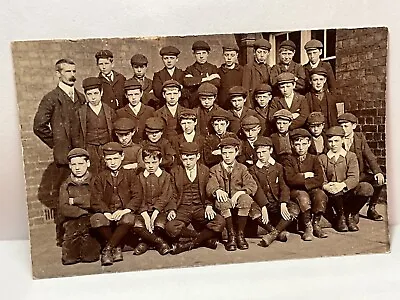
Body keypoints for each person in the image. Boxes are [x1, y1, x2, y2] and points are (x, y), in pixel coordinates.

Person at [33, 58, 85, 246]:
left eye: (74, 71)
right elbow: (39, 126)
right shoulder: (51, 98)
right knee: (64, 195)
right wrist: (57, 144)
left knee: (84, 194)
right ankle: (62, 236)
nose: (72, 75)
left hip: (82, 153)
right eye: (68, 71)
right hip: (64, 158)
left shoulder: (80, 97)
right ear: (58, 74)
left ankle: (83, 234)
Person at [165, 142, 226, 254]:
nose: (188, 163)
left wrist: (208, 206)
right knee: (170, 227)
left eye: (191, 159)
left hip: (200, 207)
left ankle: (188, 245)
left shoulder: (205, 170)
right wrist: (172, 209)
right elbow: (172, 194)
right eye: (185, 159)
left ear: (197, 157)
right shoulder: (175, 171)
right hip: (182, 207)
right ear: (181, 158)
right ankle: (203, 240)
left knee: (220, 222)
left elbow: (208, 191)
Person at [90, 142, 142, 266]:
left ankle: (108, 249)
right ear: (104, 160)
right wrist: (106, 212)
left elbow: (137, 197)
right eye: (109, 159)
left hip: (123, 212)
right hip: (108, 212)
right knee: (96, 220)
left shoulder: (130, 175)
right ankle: (116, 246)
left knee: (129, 218)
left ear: (122, 157)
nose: (112, 162)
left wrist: (125, 210)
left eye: (115, 158)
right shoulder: (100, 177)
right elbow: (96, 199)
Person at [206, 137, 257, 251]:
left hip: (237, 198)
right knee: (222, 201)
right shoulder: (215, 169)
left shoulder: (242, 168)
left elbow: (252, 185)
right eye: (224, 153)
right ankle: (231, 235)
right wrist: (217, 190)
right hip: (224, 201)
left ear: (236, 152)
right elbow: (210, 185)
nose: (227, 156)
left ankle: (240, 234)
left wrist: (240, 192)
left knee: (246, 199)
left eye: (230, 152)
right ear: (221, 154)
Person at [248, 137, 300, 247]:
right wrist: (263, 206)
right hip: (263, 203)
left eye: (264, 152)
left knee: (294, 208)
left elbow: (284, 186)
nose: (261, 155)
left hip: (277, 202)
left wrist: (283, 203)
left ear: (270, 151)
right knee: (252, 211)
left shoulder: (278, 167)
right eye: (258, 153)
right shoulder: (253, 169)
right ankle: (277, 232)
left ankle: (273, 234)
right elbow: (257, 189)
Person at [337, 113, 386, 221]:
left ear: (354, 126)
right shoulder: (336, 139)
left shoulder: (359, 138)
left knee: (379, 181)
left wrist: (377, 172)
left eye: (346, 126)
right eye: (341, 126)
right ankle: (351, 210)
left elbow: (369, 156)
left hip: (360, 174)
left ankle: (371, 208)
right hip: (345, 176)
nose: (343, 129)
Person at [283, 129, 328, 240]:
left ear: (309, 144)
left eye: (304, 144)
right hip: (295, 191)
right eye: (297, 144)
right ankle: (308, 226)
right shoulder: (288, 159)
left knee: (320, 195)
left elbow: (319, 179)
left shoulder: (314, 159)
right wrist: (305, 175)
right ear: (293, 145)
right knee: (303, 197)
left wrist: (301, 180)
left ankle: (316, 224)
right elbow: (290, 179)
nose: (301, 148)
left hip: (311, 189)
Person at [59, 148, 100, 265]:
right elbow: (64, 207)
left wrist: (75, 200)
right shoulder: (66, 185)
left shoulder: (95, 181)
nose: (77, 168)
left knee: (90, 256)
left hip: (90, 218)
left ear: (88, 163)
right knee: (69, 258)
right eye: (74, 164)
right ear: (70, 166)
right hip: (73, 220)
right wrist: (83, 210)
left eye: (81, 163)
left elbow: (95, 201)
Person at [132, 145, 173, 255]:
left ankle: (145, 243)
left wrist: (156, 211)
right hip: (143, 211)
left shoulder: (166, 176)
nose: (150, 166)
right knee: (138, 225)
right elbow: (138, 197)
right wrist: (145, 214)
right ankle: (160, 243)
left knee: (159, 224)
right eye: (147, 162)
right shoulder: (139, 177)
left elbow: (165, 196)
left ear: (160, 161)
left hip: (159, 211)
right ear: (143, 162)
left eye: (154, 162)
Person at [319, 126, 361, 232]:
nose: (333, 144)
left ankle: (350, 215)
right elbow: (321, 177)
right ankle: (341, 217)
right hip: (332, 194)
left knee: (366, 189)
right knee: (335, 192)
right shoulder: (323, 158)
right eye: (330, 141)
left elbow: (354, 177)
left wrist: (342, 185)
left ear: (342, 140)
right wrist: (325, 186)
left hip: (347, 191)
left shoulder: (350, 156)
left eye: (336, 141)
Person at [74, 77, 116, 175]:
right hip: (90, 149)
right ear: (86, 95)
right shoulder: (80, 112)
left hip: (106, 147)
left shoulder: (109, 111)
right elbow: (76, 135)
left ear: (101, 93)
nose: (93, 97)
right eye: (89, 94)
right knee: (92, 174)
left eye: (96, 93)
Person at [116, 79, 155, 144]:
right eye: (130, 95)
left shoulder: (150, 111)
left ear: (141, 93)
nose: (133, 97)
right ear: (126, 95)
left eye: (136, 94)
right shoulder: (120, 113)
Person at [183, 40, 221, 108]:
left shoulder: (213, 68)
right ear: (194, 54)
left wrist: (195, 80)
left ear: (207, 54)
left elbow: (217, 82)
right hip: (194, 103)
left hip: (210, 103)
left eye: (204, 53)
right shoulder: (190, 69)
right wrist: (205, 78)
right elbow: (187, 82)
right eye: (198, 53)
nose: (201, 56)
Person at [242, 38, 272, 106]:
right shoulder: (248, 67)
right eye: (259, 52)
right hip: (253, 102)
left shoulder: (269, 68)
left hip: (266, 103)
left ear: (268, 53)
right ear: (254, 52)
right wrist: (248, 107)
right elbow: (245, 89)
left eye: (264, 52)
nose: (262, 55)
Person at [218, 42, 243, 109]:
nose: (229, 58)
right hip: (222, 106)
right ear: (223, 55)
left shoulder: (242, 71)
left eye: (232, 55)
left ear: (237, 55)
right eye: (226, 55)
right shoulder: (218, 71)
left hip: (237, 105)